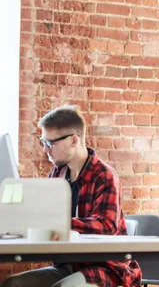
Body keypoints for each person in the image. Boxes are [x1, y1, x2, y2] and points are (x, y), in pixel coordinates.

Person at [2, 106, 141, 287]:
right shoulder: (58, 173)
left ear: (74, 140)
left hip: (106, 267)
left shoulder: (104, 175)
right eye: (43, 142)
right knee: (14, 284)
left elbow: (105, 226)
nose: (45, 150)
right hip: (70, 264)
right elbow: (46, 214)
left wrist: (55, 222)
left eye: (50, 143)